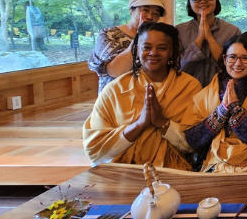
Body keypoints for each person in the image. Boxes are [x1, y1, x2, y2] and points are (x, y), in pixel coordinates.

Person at [83, 22, 202, 170]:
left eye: (162, 48)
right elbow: (96, 150)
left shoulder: (189, 87)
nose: (153, 53)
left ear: (172, 51)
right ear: (137, 50)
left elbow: (194, 144)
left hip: (171, 170)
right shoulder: (115, 90)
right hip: (123, 171)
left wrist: (162, 123)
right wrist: (139, 124)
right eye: (146, 47)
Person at [180, 34, 247, 173]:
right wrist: (221, 113)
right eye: (232, 57)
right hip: (213, 162)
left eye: (245, 58)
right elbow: (193, 140)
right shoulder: (208, 93)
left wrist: (236, 111)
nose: (238, 63)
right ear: (224, 59)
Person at [88, 0, 166, 93]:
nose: (150, 16)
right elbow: (116, 71)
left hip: (145, 100)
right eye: (145, 10)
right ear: (131, 10)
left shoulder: (157, 39)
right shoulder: (108, 34)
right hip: (114, 99)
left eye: (155, 13)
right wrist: (139, 36)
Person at [177, 0, 240, 88]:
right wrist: (199, 39)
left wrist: (210, 38)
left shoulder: (232, 31)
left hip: (222, 94)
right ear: (189, 2)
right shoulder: (179, 31)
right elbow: (178, 69)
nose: (203, 1)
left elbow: (234, 67)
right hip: (186, 93)